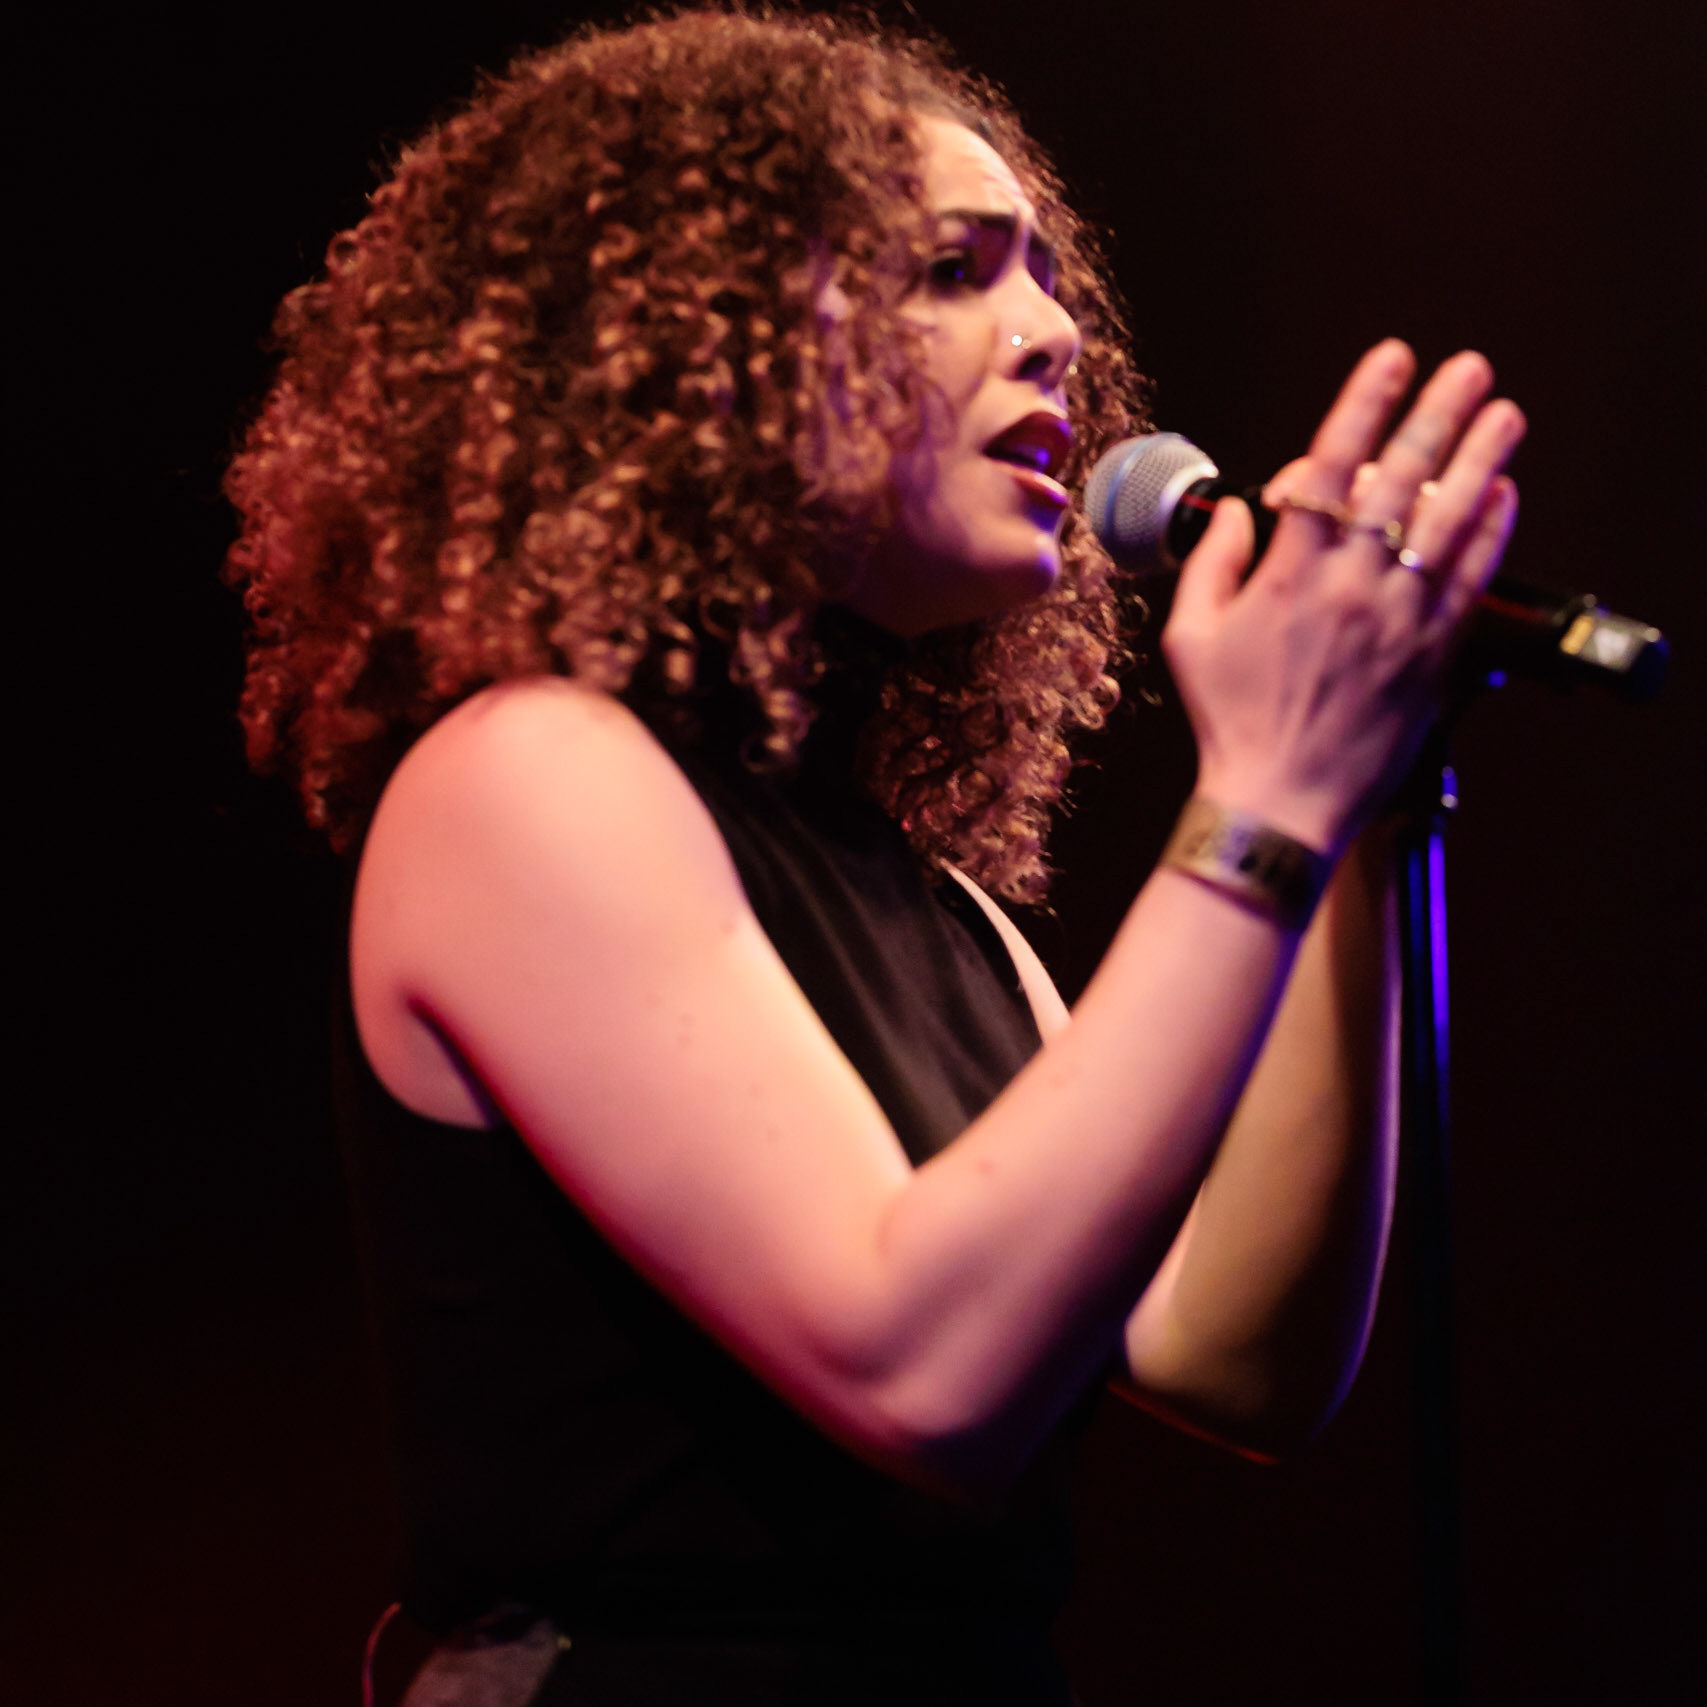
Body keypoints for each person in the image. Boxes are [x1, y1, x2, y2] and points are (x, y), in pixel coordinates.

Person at [224, 9, 1523, 1704]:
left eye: (1052, 278)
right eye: (953, 271)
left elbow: (1232, 1355)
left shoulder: (954, 922)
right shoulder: (523, 778)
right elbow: (922, 1368)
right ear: (703, 343)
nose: (1054, 331)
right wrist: (1268, 786)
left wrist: (1348, 814)